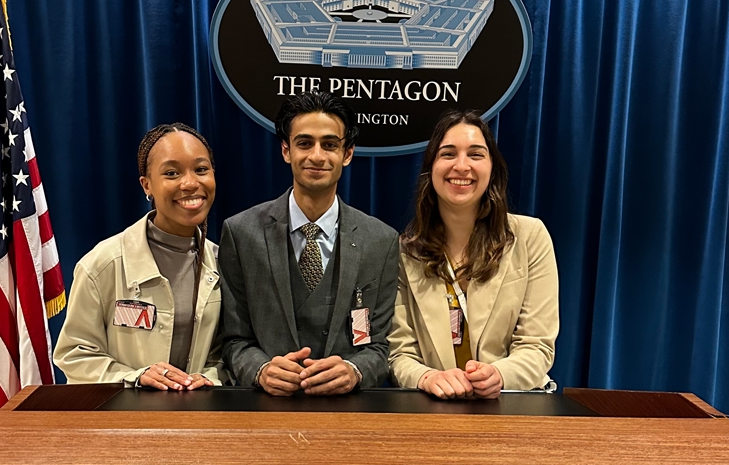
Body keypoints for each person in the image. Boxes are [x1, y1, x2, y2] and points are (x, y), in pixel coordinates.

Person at [219, 91, 399, 395]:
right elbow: (233, 340)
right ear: (286, 150)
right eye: (304, 143)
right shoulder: (241, 233)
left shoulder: (381, 241)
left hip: (347, 415)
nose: (317, 156)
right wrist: (260, 370)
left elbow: (380, 346)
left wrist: (355, 371)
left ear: (348, 153)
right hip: (266, 411)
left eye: (329, 145)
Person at [388, 110, 558, 399]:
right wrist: (428, 377)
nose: (462, 166)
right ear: (431, 168)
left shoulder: (530, 237)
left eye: (476, 154)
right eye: (448, 154)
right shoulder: (405, 252)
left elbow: (537, 345)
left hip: (511, 402)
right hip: (435, 407)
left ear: (492, 167)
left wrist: (500, 375)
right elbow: (398, 353)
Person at [53, 123, 225, 390]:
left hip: (198, 420)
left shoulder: (224, 262)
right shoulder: (102, 264)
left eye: (201, 169)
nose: (190, 183)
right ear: (147, 185)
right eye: (171, 173)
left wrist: (211, 378)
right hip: (121, 421)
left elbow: (226, 354)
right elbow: (75, 354)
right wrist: (135, 377)